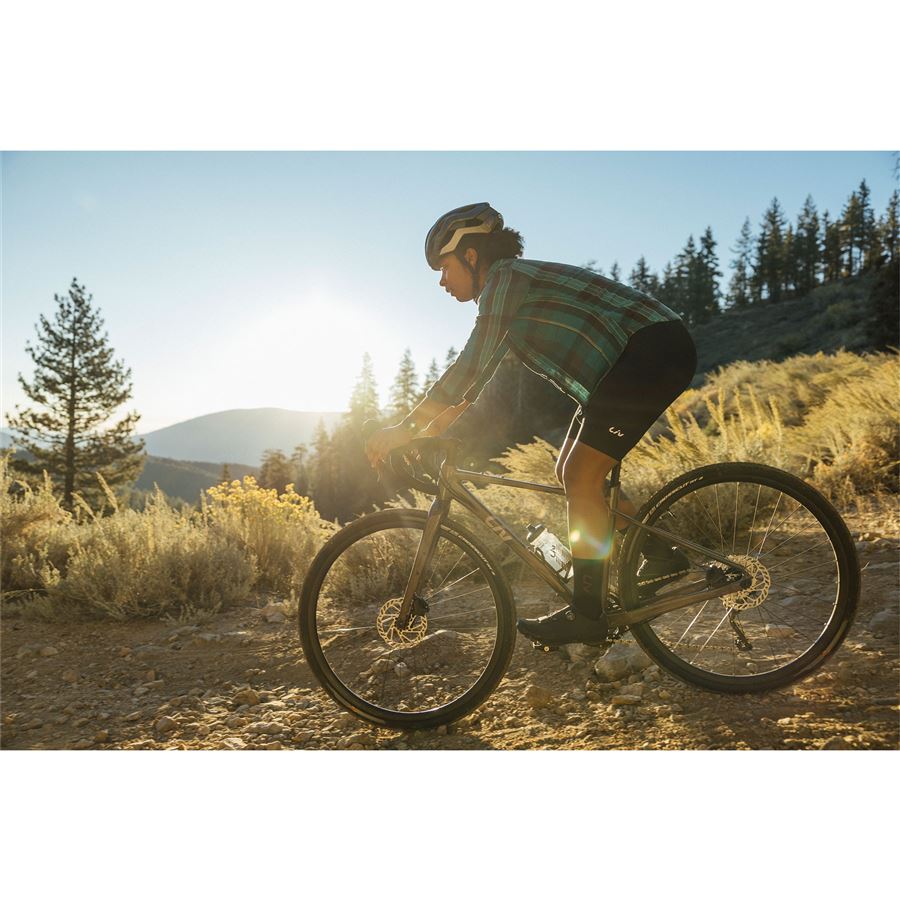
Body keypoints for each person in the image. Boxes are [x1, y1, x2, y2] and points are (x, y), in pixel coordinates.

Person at [365, 202, 697, 646]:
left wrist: (404, 429)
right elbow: (470, 387)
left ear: (470, 256)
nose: (442, 281)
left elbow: (470, 363)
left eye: (444, 268)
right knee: (571, 473)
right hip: (637, 361)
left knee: (581, 474)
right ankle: (659, 555)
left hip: (653, 350)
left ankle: (588, 613)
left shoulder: (505, 278)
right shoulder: (508, 291)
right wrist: (421, 436)